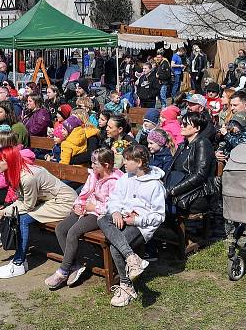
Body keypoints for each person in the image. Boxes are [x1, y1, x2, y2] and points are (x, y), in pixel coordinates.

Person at [0, 147, 76, 279]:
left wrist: (3, 212)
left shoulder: (27, 177)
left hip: (64, 202)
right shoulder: (16, 171)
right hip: (49, 200)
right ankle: (20, 260)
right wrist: (3, 211)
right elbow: (22, 200)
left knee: (24, 218)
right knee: (20, 216)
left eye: (0, 161)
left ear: (10, 161)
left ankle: (19, 262)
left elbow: (27, 205)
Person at [97, 145, 166, 307]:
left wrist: (136, 220)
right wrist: (115, 212)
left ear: (139, 162)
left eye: (128, 160)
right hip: (122, 218)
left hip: (140, 226)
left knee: (115, 248)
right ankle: (132, 258)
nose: (124, 163)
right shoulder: (126, 177)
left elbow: (159, 216)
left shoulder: (155, 185)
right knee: (102, 218)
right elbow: (115, 199)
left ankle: (127, 286)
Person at [46, 148, 124, 289]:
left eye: (95, 164)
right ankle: (74, 265)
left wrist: (93, 208)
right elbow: (84, 193)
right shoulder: (94, 175)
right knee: (61, 229)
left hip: (100, 215)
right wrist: (78, 204)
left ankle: (63, 270)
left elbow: (113, 206)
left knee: (73, 232)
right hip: (86, 208)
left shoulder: (116, 180)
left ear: (106, 165)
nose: (92, 166)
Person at [165, 112, 214, 214]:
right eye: (181, 123)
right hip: (179, 188)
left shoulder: (203, 144)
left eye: (185, 124)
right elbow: (172, 168)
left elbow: (200, 175)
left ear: (197, 128)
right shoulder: (184, 145)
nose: (181, 126)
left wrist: (174, 190)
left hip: (196, 193)